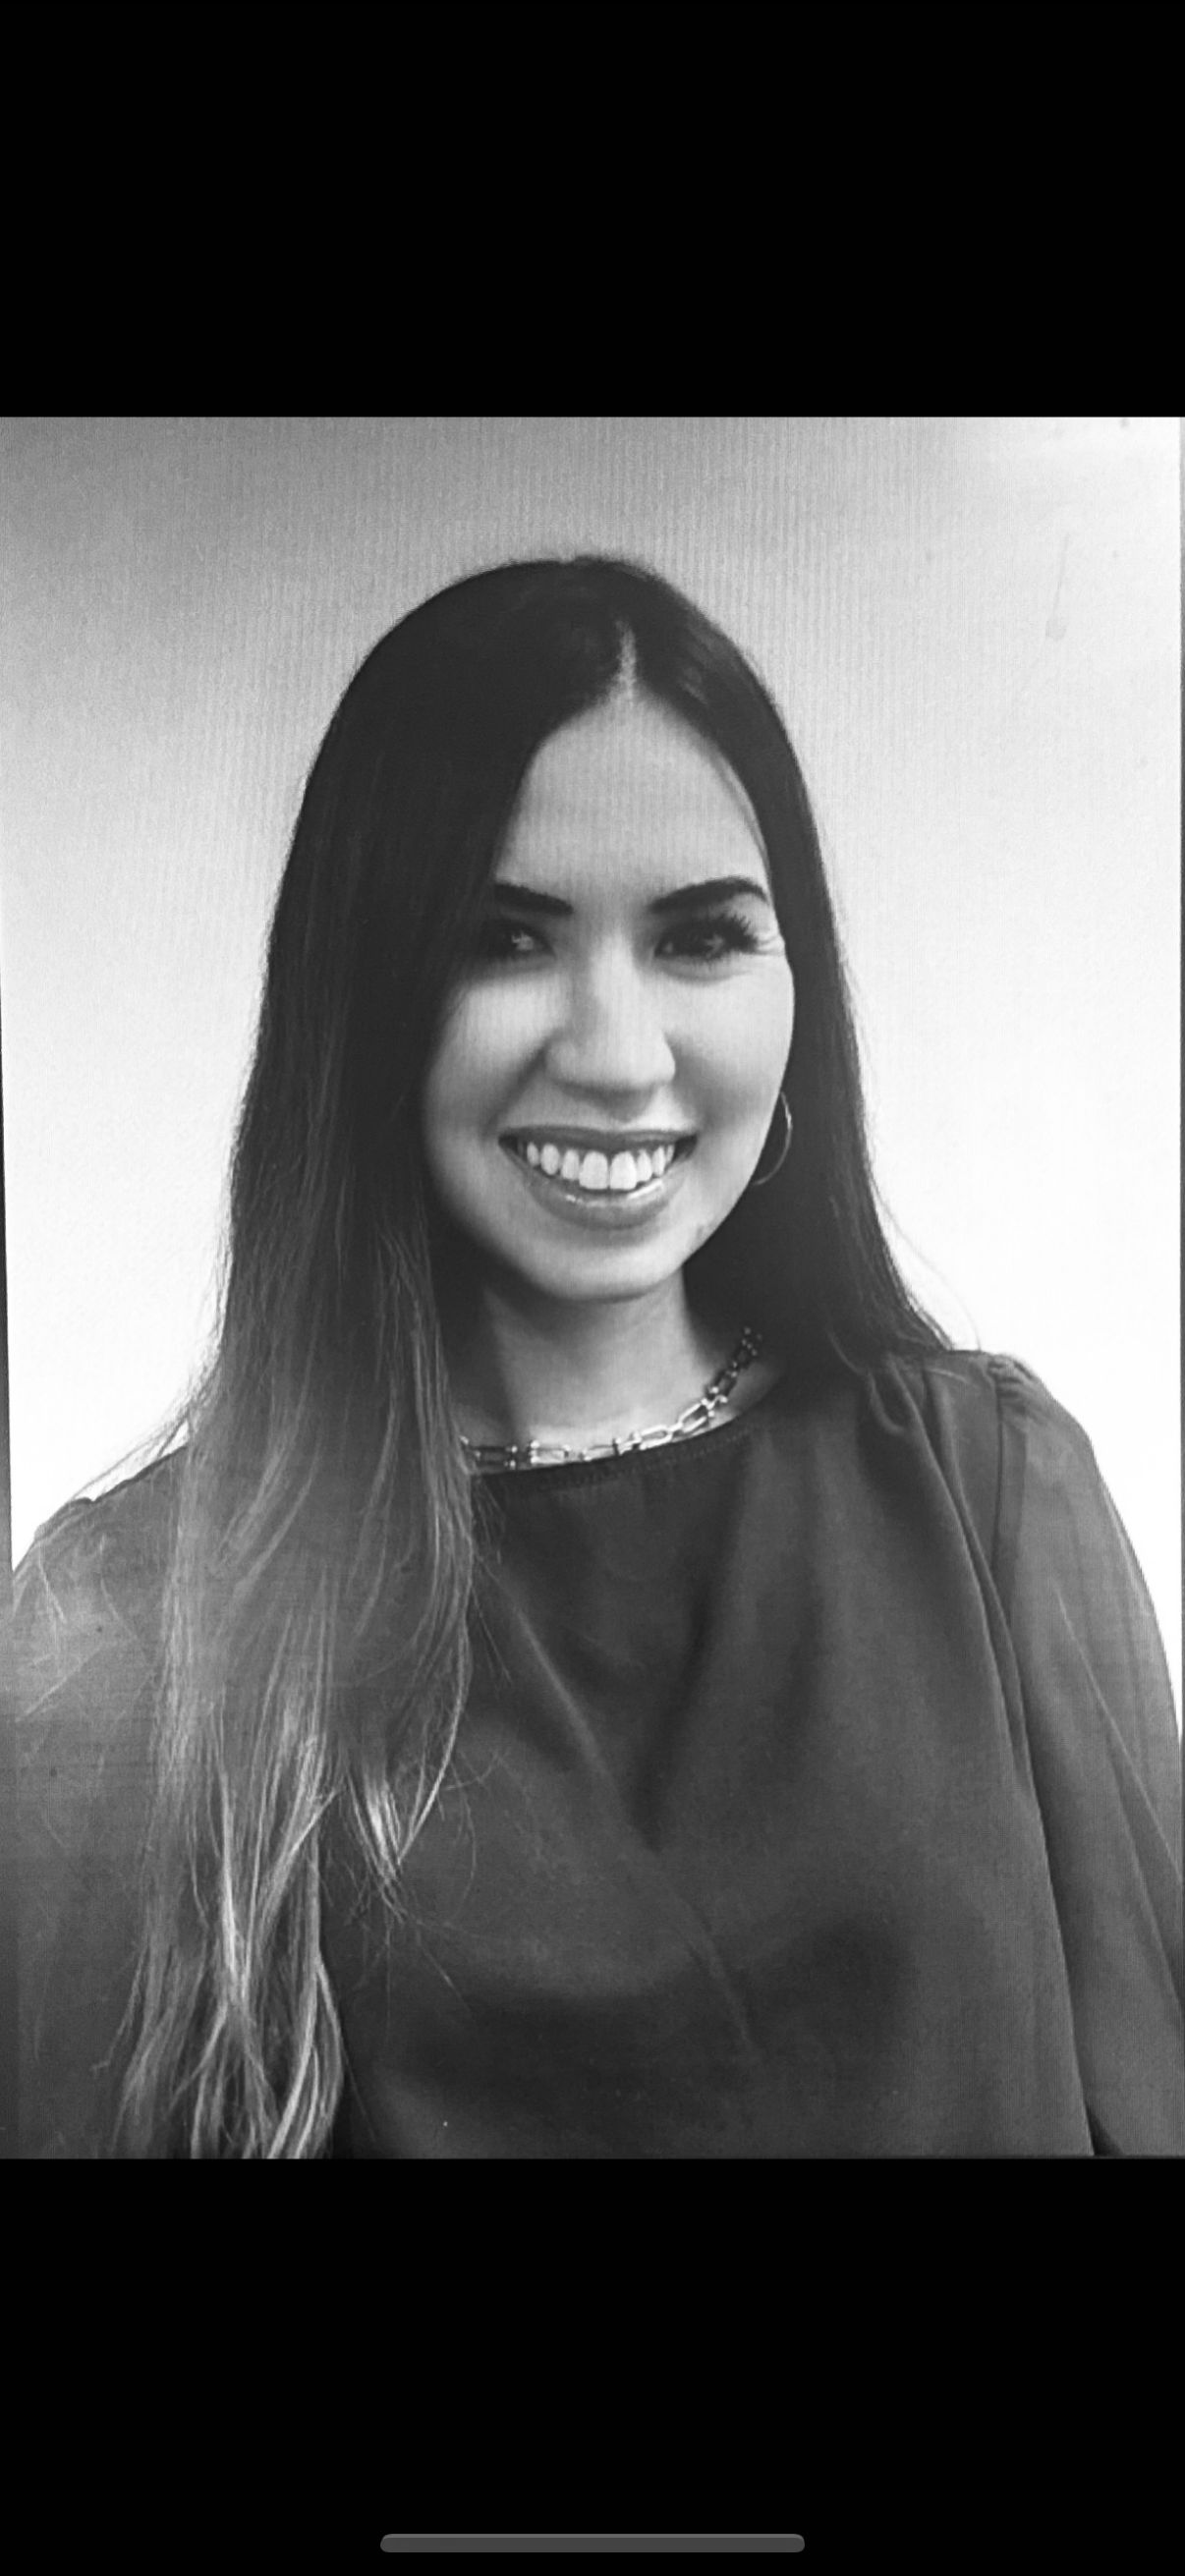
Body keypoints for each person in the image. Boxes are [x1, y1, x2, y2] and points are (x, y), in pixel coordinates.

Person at [14, 554, 1183, 2158]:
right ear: (363, 991)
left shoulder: (994, 1495)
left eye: (701, 937)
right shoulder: (130, 1626)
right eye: (503, 938)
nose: (620, 1055)